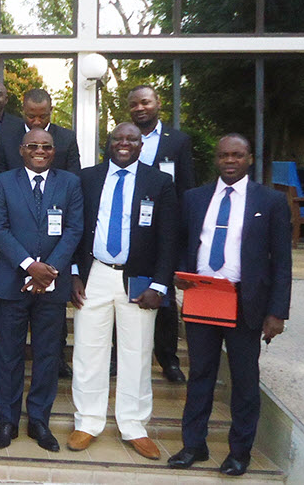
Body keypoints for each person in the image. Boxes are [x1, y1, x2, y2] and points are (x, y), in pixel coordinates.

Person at [168, 134, 291, 477]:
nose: (230, 161)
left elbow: (281, 261)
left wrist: (277, 312)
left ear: (249, 158)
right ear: (216, 159)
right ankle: (193, 445)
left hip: (245, 302)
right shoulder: (194, 198)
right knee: (200, 375)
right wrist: (181, 272)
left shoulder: (270, 201)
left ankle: (239, 452)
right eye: (224, 155)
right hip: (203, 297)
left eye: (237, 155)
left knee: (244, 379)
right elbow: (181, 242)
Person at [66, 123, 177, 460]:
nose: (124, 144)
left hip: (139, 279)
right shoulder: (87, 178)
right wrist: (74, 273)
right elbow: (76, 229)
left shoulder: (159, 182)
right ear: (108, 143)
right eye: (118, 138)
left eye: (132, 139)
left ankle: (134, 425)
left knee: (138, 352)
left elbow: (169, 238)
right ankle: (87, 421)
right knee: (88, 351)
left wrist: (159, 284)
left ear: (142, 145)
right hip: (95, 273)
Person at [0, 129, 83, 452]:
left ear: (54, 152)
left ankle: (39, 420)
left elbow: (74, 229)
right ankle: (8, 421)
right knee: (9, 355)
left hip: (53, 287)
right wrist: (30, 266)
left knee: (47, 355)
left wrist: (49, 271)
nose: (39, 151)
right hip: (12, 283)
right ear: (21, 150)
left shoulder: (70, 183)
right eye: (33, 146)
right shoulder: (3, 181)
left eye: (46, 146)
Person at [115, 85, 196, 384]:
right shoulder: (121, 138)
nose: (140, 108)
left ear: (158, 103)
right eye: (134, 104)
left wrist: (183, 231)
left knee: (163, 295)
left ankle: (168, 359)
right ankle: (116, 357)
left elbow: (186, 186)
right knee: (121, 290)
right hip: (126, 226)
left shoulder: (178, 141)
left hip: (163, 225)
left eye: (145, 102)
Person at [0, 88, 81, 177]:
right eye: (31, 116)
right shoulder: (6, 138)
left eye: (43, 116)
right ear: (23, 110)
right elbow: (0, 179)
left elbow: (73, 179)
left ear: (50, 110)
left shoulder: (67, 139)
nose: (37, 122)